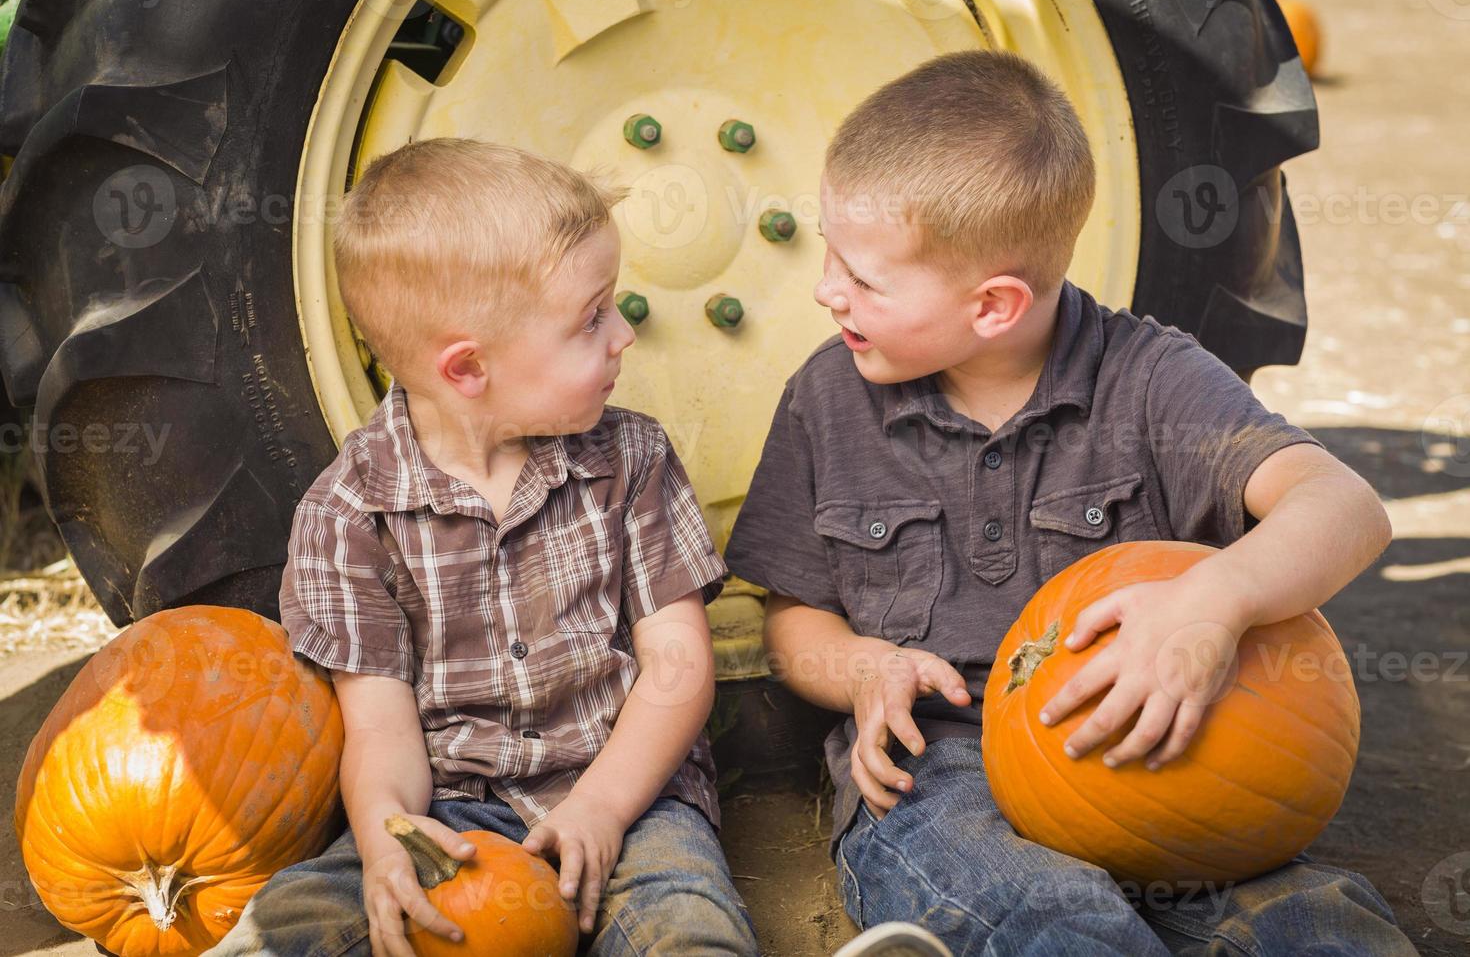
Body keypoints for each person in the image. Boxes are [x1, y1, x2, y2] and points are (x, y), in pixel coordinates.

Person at [724, 49, 1417, 956]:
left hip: (1156, 733)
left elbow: (1347, 506)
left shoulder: (1150, 379)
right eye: (830, 250)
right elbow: (793, 618)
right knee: (1047, 918)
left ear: (993, 306)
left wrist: (1216, 601)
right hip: (945, 765)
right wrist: (860, 667)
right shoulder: (827, 401)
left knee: (1310, 923)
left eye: (863, 277)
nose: (826, 288)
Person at [206, 138, 758, 957]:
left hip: (629, 793)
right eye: (591, 317)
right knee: (302, 919)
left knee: (685, 921)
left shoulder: (631, 461)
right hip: (452, 808)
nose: (624, 336)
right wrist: (392, 840)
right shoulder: (349, 513)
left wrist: (602, 809)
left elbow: (679, 668)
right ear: (468, 369)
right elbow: (381, 732)